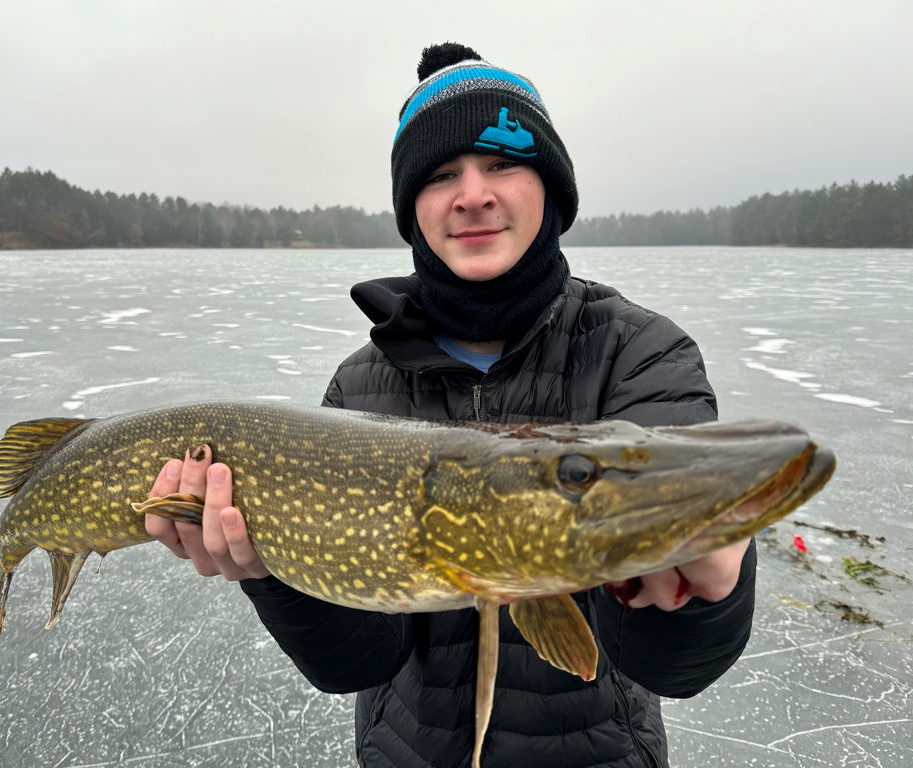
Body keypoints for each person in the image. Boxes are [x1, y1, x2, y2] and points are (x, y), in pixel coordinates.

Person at [146, 42, 755, 768]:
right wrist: (274, 572)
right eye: (441, 175)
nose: (473, 195)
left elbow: (670, 669)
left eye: (502, 162)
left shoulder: (640, 357)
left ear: (550, 186)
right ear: (413, 208)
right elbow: (357, 665)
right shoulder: (358, 389)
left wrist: (706, 590)